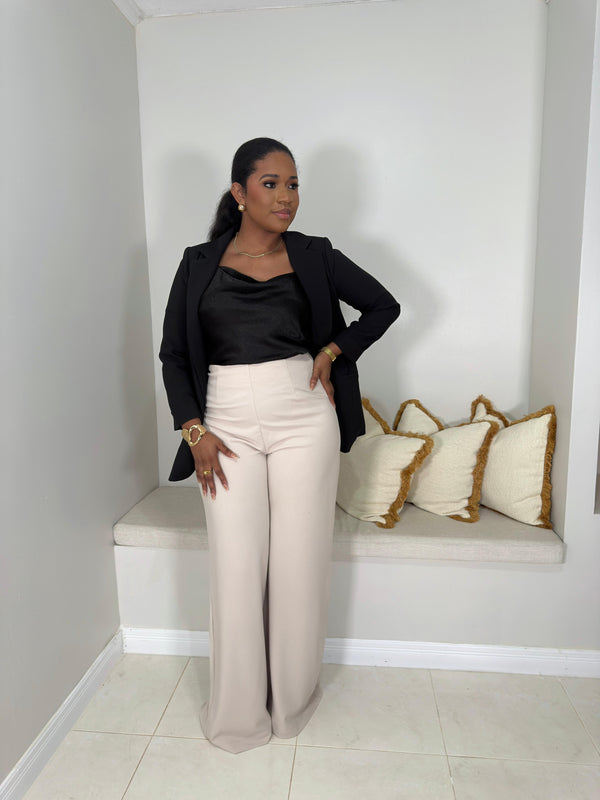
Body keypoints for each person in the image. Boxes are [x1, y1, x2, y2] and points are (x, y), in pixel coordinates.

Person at [159, 137, 400, 754]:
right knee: (236, 567)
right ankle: (238, 718)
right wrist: (193, 429)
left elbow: (383, 305)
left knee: (299, 565)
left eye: (293, 184)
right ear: (239, 193)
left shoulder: (316, 255)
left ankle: (291, 706)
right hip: (224, 423)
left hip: (304, 415)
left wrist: (332, 349)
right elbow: (175, 355)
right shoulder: (197, 262)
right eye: (271, 184)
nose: (286, 196)